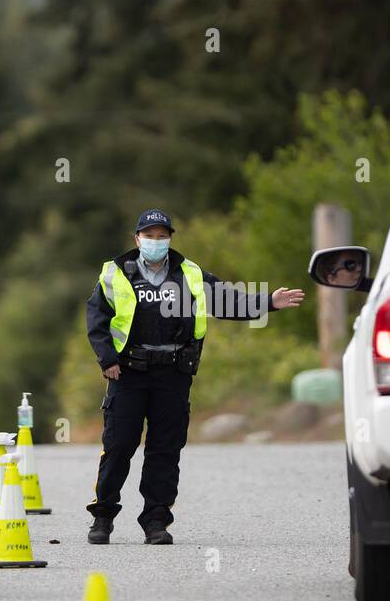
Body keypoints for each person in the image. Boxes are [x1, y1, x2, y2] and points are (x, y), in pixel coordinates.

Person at [85, 208, 305, 544]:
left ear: (170, 238)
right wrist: (107, 359)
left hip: (173, 373)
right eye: (149, 235)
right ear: (137, 239)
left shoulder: (189, 274)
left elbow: (228, 301)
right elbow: (97, 320)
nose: (155, 242)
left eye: (162, 236)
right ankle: (103, 517)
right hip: (127, 372)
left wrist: (268, 302)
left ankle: (156, 522)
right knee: (118, 446)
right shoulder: (116, 274)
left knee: (165, 449)